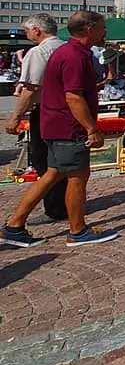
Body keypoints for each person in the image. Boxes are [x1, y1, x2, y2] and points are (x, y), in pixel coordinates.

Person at [1, 11, 119, 248]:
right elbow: (73, 96)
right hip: (68, 126)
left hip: (56, 124)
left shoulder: (70, 52)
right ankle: (77, 230)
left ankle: (14, 225)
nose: (105, 32)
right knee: (77, 175)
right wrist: (91, 128)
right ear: (89, 29)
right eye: (102, 27)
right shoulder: (73, 55)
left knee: (53, 174)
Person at [4, 14, 67, 222]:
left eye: (27, 30)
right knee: (64, 160)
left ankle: (55, 208)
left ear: (37, 30)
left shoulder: (39, 52)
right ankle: (67, 203)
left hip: (46, 110)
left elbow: (30, 89)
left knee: (44, 161)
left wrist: (15, 116)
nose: (26, 34)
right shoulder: (67, 48)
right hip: (67, 110)